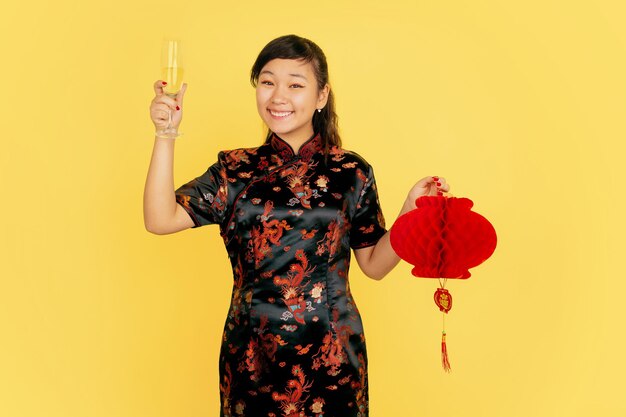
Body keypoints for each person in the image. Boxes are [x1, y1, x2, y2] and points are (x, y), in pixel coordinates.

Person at [144, 34, 449, 417]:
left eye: (295, 84)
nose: (278, 96)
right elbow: (159, 219)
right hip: (251, 356)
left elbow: (374, 265)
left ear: (321, 96)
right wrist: (165, 133)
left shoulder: (350, 171)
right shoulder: (236, 169)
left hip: (334, 353)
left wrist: (410, 211)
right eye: (268, 82)